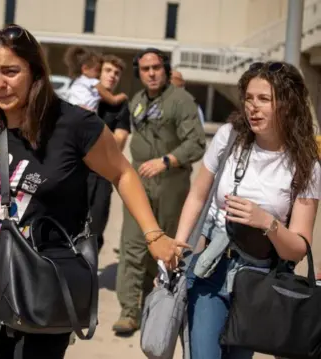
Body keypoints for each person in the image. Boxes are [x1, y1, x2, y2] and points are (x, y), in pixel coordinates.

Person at [0, 24, 187, 359]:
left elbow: (122, 173)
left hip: (44, 277)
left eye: (11, 71)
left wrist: (153, 233)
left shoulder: (73, 125)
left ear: (35, 71)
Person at [175, 61, 320, 359]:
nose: (253, 107)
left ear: (288, 104)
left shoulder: (307, 167)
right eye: (249, 98)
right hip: (211, 267)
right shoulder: (229, 137)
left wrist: (266, 221)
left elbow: (298, 248)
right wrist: (179, 246)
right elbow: (197, 195)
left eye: (264, 99)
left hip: (259, 282)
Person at [113, 48, 206, 335]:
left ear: (165, 69)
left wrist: (166, 161)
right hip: (140, 180)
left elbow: (197, 143)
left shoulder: (181, 101)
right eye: (145, 69)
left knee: (166, 246)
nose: (151, 73)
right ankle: (129, 311)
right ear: (139, 72)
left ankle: (161, 303)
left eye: (156, 67)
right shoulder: (138, 102)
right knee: (132, 244)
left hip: (171, 182)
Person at [89, 53, 130, 255]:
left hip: (101, 176)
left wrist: (88, 131)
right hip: (73, 172)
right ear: (98, 72)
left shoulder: (120, 106)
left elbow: (119, 143)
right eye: (108, 70)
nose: (112, 75)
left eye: (117, 73)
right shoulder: (84, 96)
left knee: (95, 231)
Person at [63, 46, 128, 112]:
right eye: (98, 70)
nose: (112, 75)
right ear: (85, 69)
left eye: (117, 73)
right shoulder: (93, 82)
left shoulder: (76, 83)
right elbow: (113, 100)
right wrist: (124, 96)